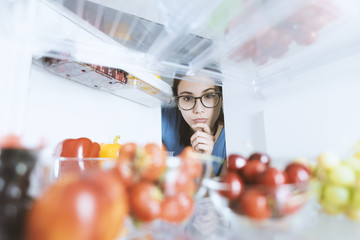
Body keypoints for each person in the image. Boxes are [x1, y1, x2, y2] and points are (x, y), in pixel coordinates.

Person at [161, 73, 226, 176]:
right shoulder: (163, 119)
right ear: (178, 103)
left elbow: (220, 191)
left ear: (222, 98)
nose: (198, 110)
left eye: (208, 96)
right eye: (187, 98)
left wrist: (205, 161)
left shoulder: (231, 138)